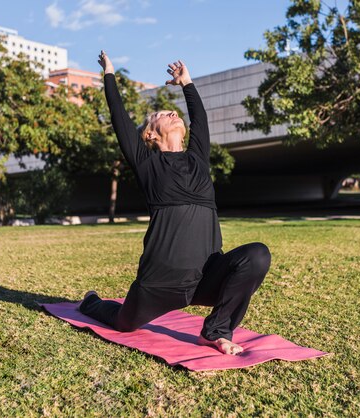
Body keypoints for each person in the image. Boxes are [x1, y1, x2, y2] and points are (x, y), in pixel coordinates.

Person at [78, 50, 272, 355]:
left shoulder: (198, 159)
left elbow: (200, 120)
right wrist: (109, 73)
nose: (172, 114)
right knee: (123, 323)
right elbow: (119, 116)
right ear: (150, 134)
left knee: (257, 255)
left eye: (174, 112)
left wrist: (187, 84)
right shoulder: (146, 163)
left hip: (205, 277)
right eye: (161, 115)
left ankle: (215, 331)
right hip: (159, 283)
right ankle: (92, 303)